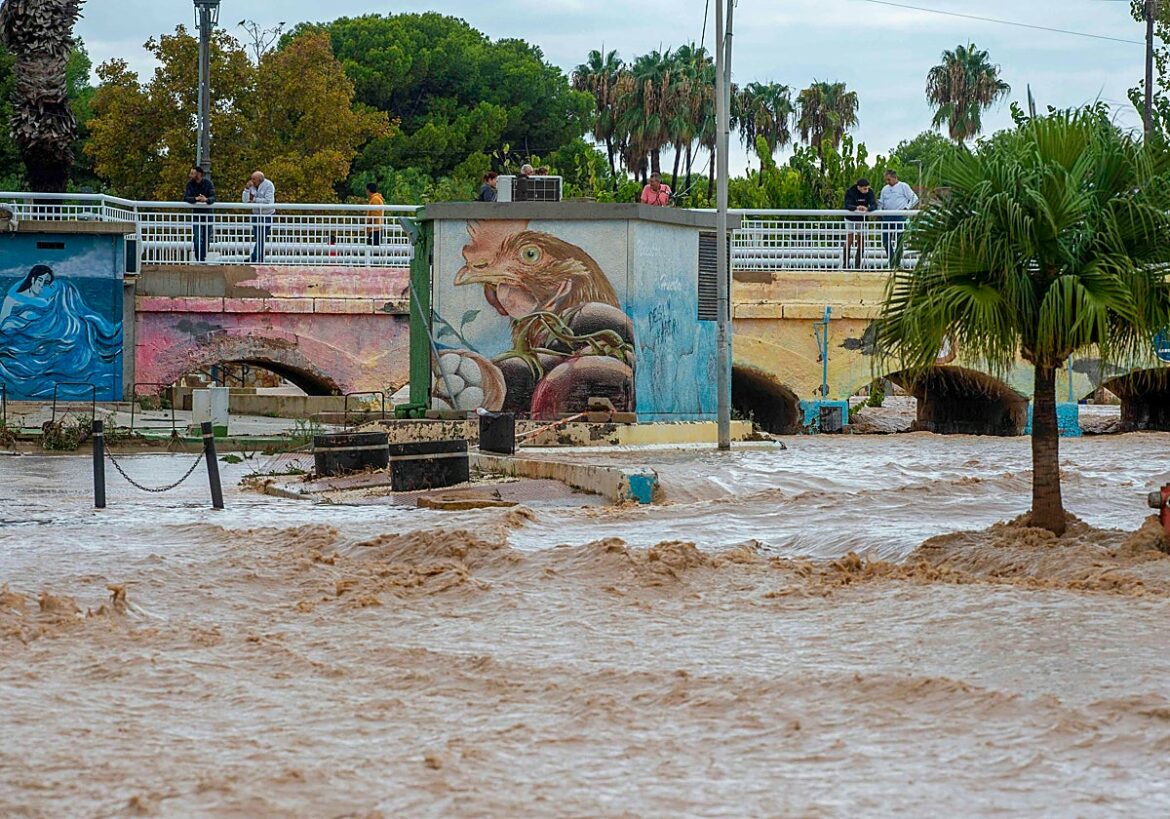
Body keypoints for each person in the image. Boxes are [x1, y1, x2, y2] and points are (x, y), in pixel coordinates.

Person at [877, 168, 919, 265]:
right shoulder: (884, 189)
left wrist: (906, 208)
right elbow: (881, 203)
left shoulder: (903, 186)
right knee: (885, 240)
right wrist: (879, 211)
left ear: (894, 177)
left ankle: (897, 263)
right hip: (887, 216)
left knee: (899, 241)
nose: (887, 182)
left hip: (900, 217)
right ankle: (892, 261)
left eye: (889, 179)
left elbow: (914, 198)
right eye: (886, 180)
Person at [183, 166, 216, 262]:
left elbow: (213, 197)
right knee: (197, 238)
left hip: (207, 214)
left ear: (199, 174)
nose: (190, 175)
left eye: (192, 173)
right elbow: (185, 197)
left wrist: (206, 200)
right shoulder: (190, 184)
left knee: (206, 237)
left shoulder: (208, 183)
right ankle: (199, 258)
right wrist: (196, 199)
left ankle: (202, 257)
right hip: (196, 214)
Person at [843, 177, 877, 269]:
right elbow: (847, 205)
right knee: (849, 238)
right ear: (858, 187)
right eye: (864, 188)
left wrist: (868, 209)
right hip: (850, 218)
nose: (866, 190)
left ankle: (857, 264)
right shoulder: (850, 191)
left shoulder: (870, 192)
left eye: (867, 188)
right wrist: (857, 208)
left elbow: (874, 204)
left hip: (862, 218)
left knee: (861, 239)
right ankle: (845, 264)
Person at [243, 171, 275, 263]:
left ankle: (254, 258)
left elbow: (268, 201)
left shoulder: (269, 185)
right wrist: (246, 189)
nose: (252, 181)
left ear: (260, 179)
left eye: (254, 179)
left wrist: (254, 200)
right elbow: (245, 201)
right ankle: (259, 259)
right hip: (256, 214)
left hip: (267, 215)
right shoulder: (251, 186)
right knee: (258, 237)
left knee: (261, 237)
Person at [366, 182, 385, 246]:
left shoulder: (375, 199)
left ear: (368, 190)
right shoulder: (376, 198)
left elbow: (375, 215)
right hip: (376, 227)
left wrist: (370, 225)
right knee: (374, 249)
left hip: (375, 228)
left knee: (373, 250)